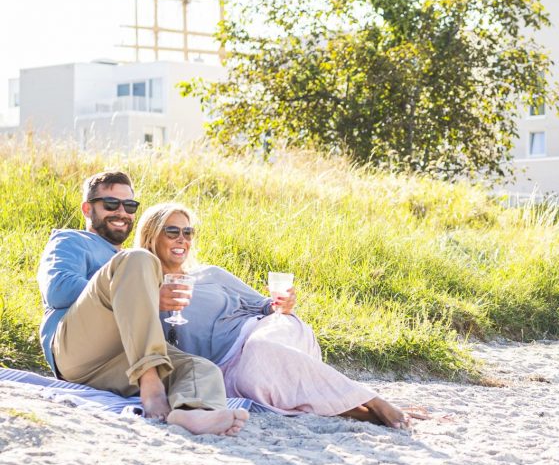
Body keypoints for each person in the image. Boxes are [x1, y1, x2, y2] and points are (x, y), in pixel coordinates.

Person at [136, 202, 423, 429]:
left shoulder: (210, 274)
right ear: (151, 236)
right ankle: (358, 410)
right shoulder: (141, 289)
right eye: (172, 231)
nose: (182, 239)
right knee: (248, 382)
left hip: (263, 332)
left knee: (260, 350)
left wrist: (285, 303)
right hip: (226, 366)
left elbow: (267, 306)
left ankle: (372, 400)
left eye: (188, 232)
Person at [36, 171, 248, 437]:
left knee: (200, 368)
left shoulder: (133, 261)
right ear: (87, 209)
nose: (121, 212)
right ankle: (150, 384)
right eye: (110, 204)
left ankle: (194, 412)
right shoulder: (72, 240)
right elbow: (57, 291)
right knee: (139, 258)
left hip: (120, 359)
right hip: (74, 348)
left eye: (129, 206)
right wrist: (135, 291)